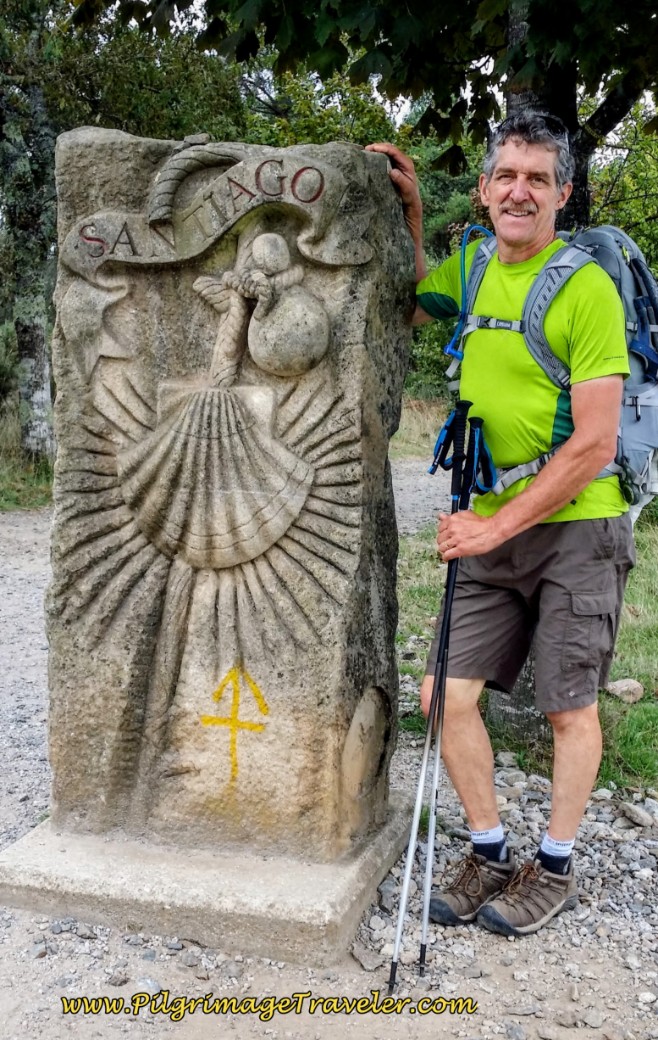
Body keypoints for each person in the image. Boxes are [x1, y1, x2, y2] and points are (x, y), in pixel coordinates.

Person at [367, 110, 635, 937]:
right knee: (443, 694)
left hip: (578, 529)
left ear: (563, 193)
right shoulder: (475, 265)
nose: (520, 192)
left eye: (538, 179)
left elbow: (594, 444)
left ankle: (552, 868)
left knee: (568, 706)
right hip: (488, 524)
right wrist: (412, 215)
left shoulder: (585, 287)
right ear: (484, 191)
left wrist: (491, 528)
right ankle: (488, 850)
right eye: (507, 176)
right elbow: (412, 307)